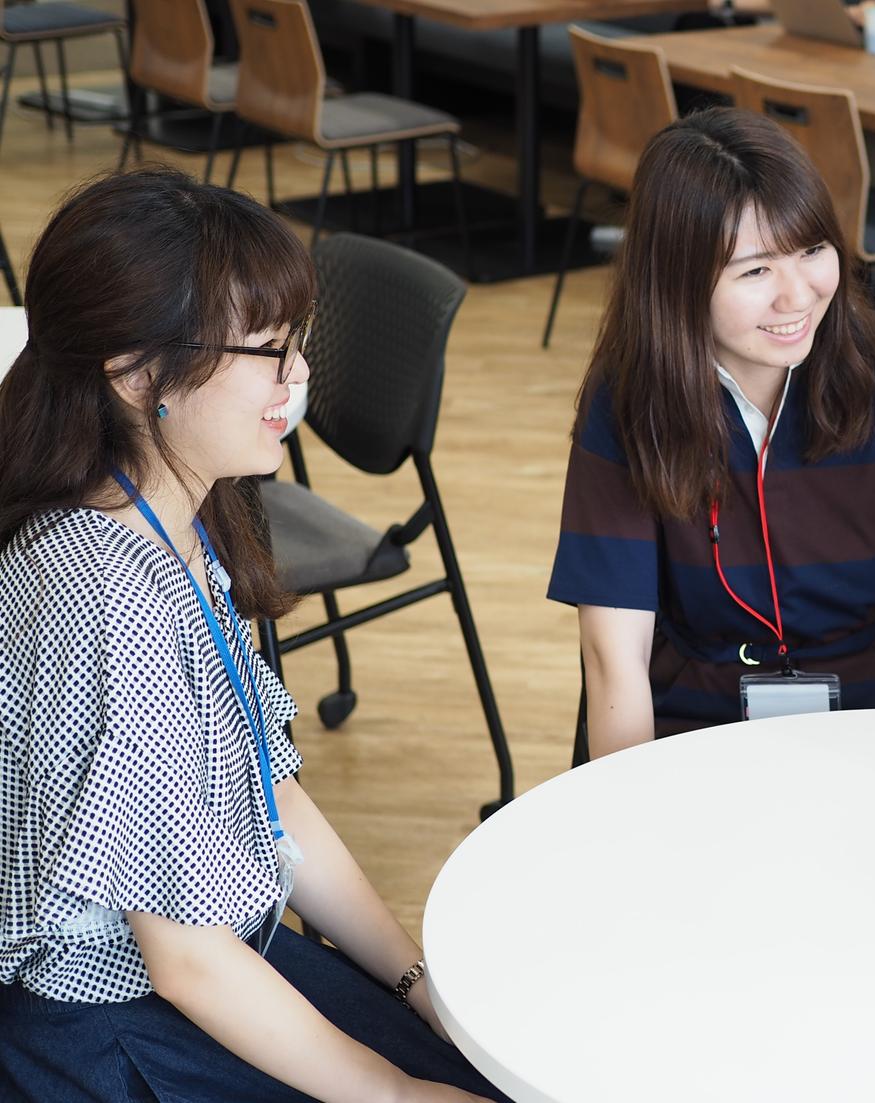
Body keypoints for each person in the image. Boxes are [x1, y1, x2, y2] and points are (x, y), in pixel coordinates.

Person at [0, 170, 505, 1102]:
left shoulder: (173, 510)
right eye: (267, 351)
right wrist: (395, 1093)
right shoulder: (108, 594)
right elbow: (184, 960)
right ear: (135, 374)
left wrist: (412, 981)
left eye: (295, 343)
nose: (298, 376)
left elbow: (268, 794)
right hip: (118, 1030)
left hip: (219, 956)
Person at [550, 108, 875, 757]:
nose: (798, 297)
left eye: (812, 251)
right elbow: (615, 658)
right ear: (677, 281)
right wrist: (633, 807)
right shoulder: (629, 397)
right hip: (698, 727)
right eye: (755, 271)